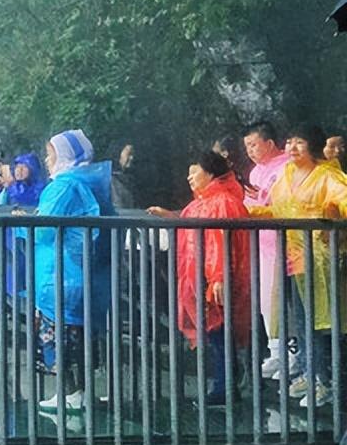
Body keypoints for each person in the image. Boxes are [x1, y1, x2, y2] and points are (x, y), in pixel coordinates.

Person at [247, 123, 347, 408]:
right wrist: (252, 212)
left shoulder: (328, 176)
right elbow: (279, 209)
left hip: (320, 259)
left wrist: (334, 217)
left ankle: (326, 382)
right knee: (302, 321)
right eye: (290, 142)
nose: (292, 148)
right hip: (293, 257)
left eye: (299, 143)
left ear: (313, 146)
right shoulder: (288, 174)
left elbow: (343, 203)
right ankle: (310, 371)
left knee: (323, 322)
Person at [147, 150, 252, 405]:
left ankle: (225, 388)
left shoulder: (223, 202)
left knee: (220, 332)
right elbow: (190, 221)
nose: (189, 177)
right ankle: (225, 385)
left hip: (213, 279)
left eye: (194, 172)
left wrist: (218, 277)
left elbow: (222, 243)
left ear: (210, 173)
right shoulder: (202, 202)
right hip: (202, 278)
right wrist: (167, 215)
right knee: (217, 332)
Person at [26, 129, 115, 411]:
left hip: (59, 275)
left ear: (63, 156)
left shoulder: (63, 185)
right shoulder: (94, 182)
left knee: (58, 338)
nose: (47, 159)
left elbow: (42, 230)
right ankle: (83, 393)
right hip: (84, 275)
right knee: (81, 336)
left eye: (50, 153)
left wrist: (20, 221)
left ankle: (69, 393)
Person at [242, 120, 292, 378]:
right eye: (247, 146)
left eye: (253, 144)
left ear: (270, 143)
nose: (250, 150)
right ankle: (275, 351)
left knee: (282, 299)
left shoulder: (286, 167)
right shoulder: (254, 172)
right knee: (265, 300)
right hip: (260, 241)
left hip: (282, 243)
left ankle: (292, 355)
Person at [110, 143, 139, 209]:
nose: (132, 158)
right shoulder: (110, 181)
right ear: (118, 154)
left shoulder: (133, 181)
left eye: (133, 154)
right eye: (129, 153)